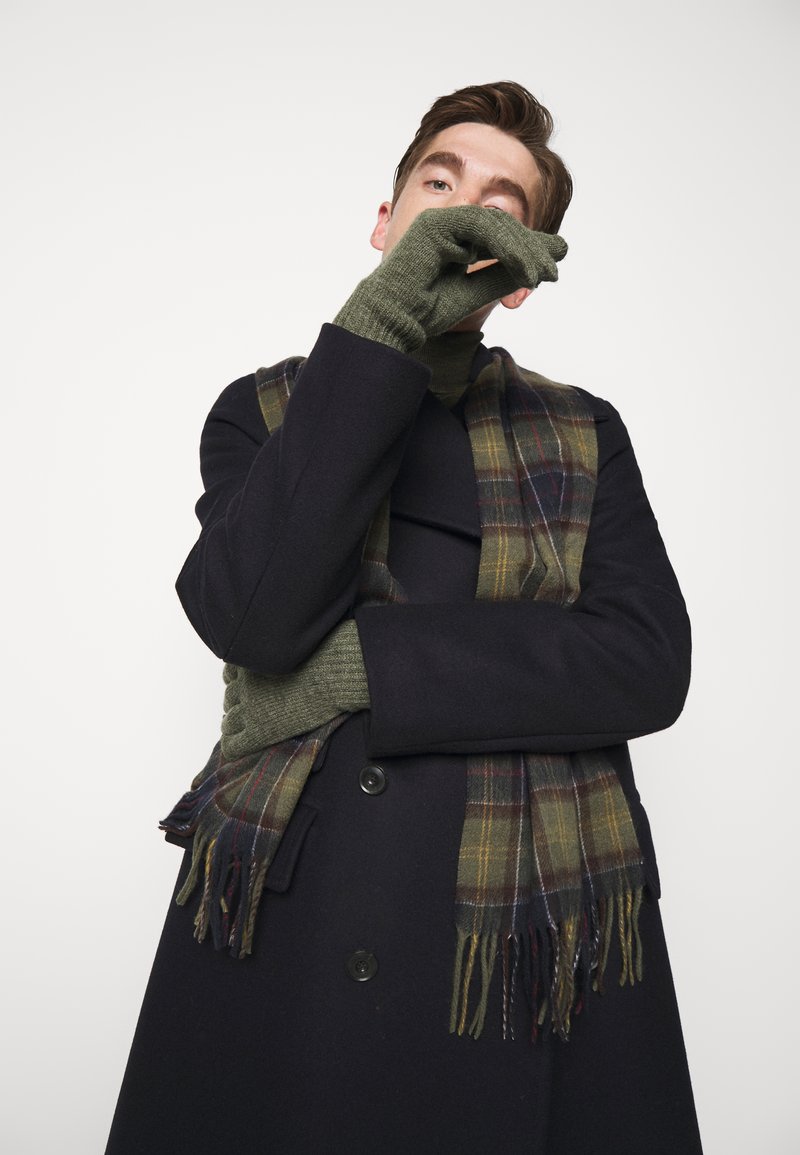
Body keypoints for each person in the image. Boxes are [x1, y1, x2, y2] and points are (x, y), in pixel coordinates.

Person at [105, 81, 703, 1153]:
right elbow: (251, 619)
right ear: (385, 222)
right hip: (292, 925)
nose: (462, 211)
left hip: (525, 938)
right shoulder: (264, 410)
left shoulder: (583, 433)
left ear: (519, 275)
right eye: (438, 183)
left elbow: (642, 661)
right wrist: (381, 320)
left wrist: (357, 670)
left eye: (501, 205)